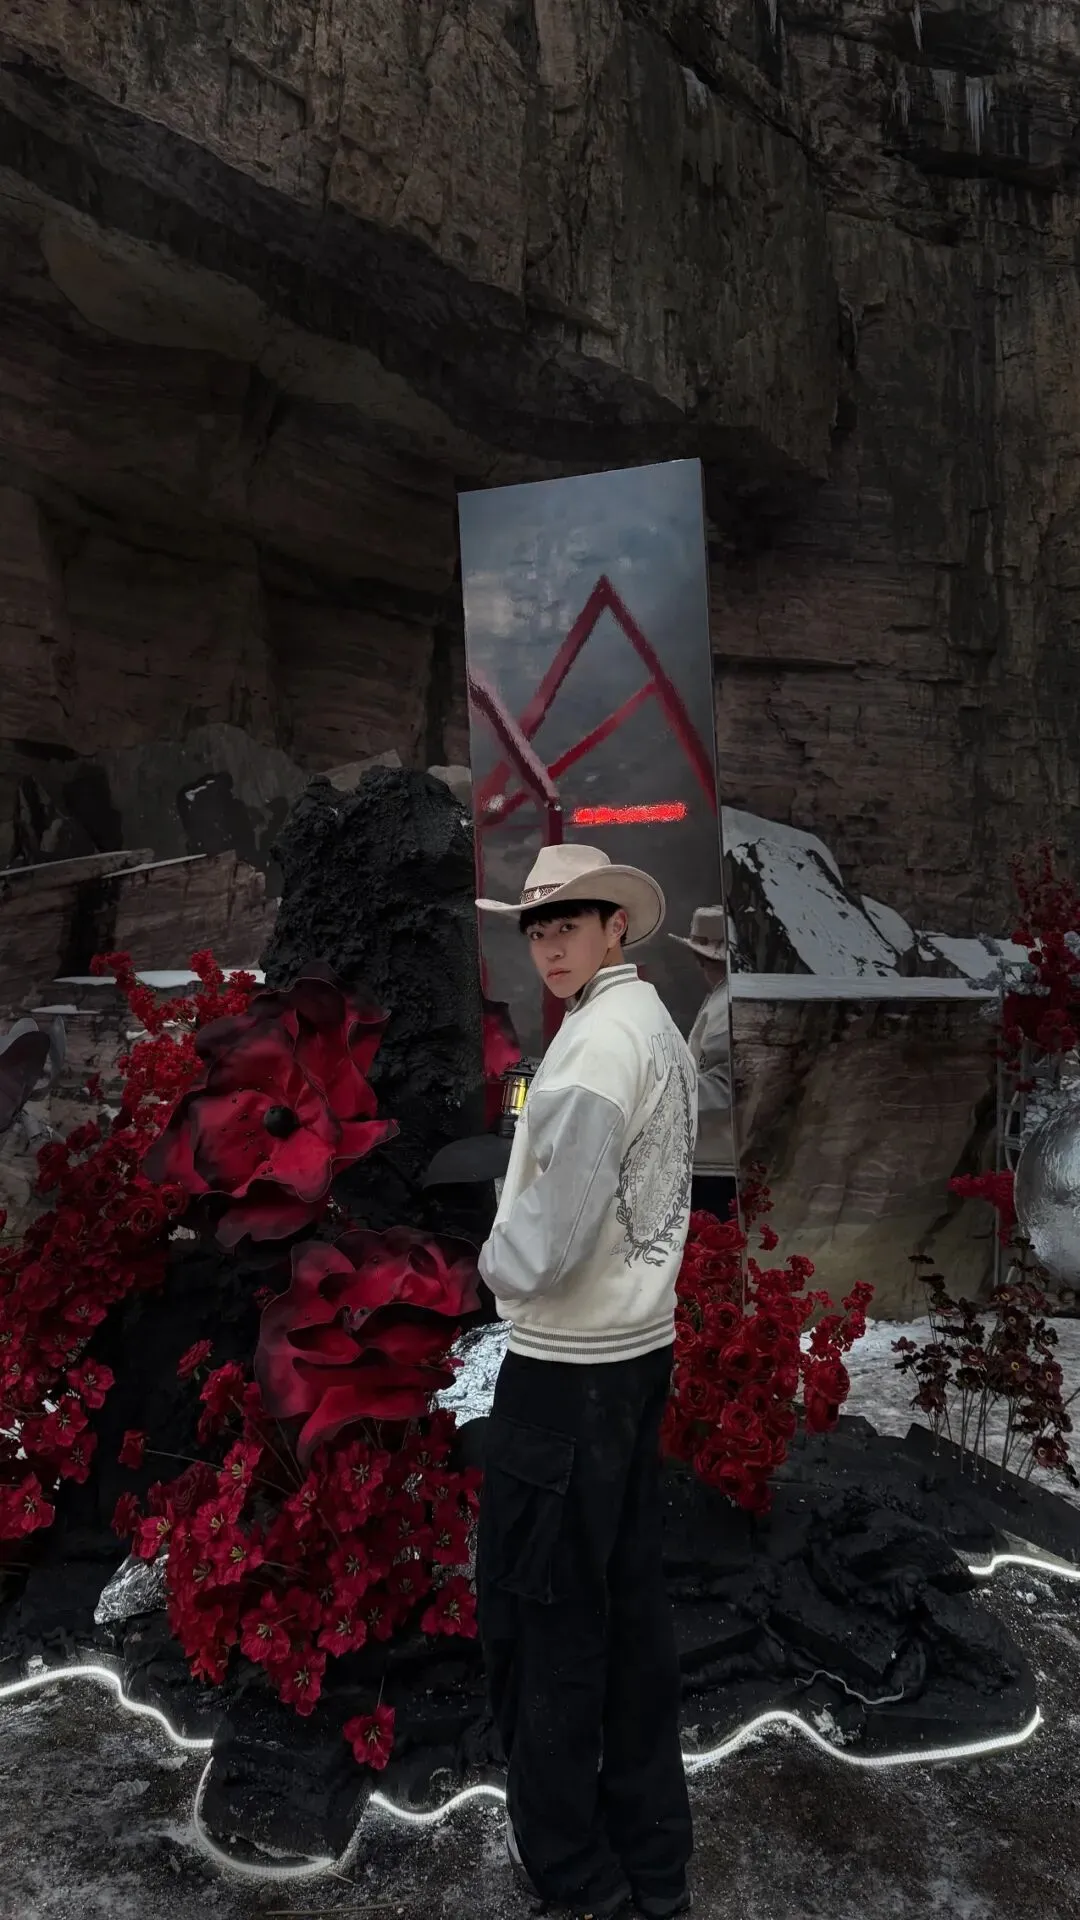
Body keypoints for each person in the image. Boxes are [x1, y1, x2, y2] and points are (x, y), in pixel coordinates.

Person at [474, 842, 697, 1920]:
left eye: (569, 922)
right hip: (635, 1357)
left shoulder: (595, 1047)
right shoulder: (649, 1023)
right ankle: (652, 1866)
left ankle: (576, 1877)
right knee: (630, 1618)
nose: (549, 945)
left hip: (568, 1377)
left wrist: (491, 1264)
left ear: (617, 926)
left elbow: (547, 1244)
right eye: (536, 928)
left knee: (547, 1629)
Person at [669, 906, 738, 1223]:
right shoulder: (722, 997)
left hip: (717, 1164)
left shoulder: (727, 1004)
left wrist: (662, 1087)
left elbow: (725, 1086)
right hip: (712, 1158)